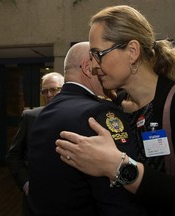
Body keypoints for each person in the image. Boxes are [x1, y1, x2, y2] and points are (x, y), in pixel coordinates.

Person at [55, 5, 175, 216]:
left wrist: (118, 166)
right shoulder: (116, 107)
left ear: (132, 51)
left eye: (98, 54)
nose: (94, 65)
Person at [27, 41, 146, 216]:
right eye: (100, 63)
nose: (105, 70)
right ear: (87, 67)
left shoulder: (43, 113)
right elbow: (120, 197)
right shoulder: (99, 113)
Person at [5, 71, 64, 216]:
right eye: (45, 91)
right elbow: (13, 156)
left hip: (67, 197)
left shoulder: (78, 115)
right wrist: (26, 184)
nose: (49, 94)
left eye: (54, 89)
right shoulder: (30, 117)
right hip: (35, 200)